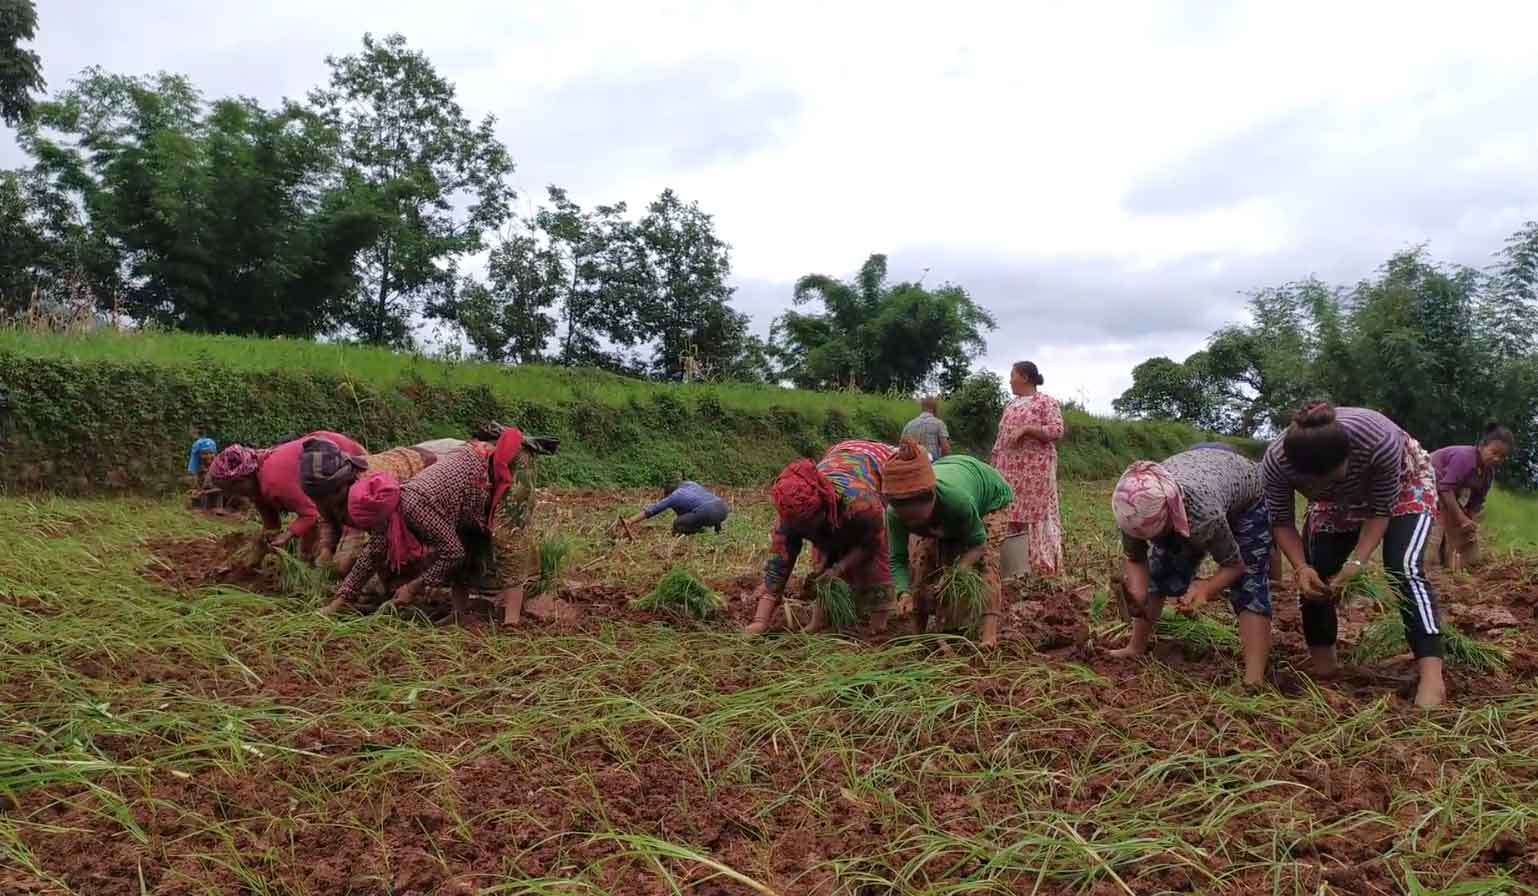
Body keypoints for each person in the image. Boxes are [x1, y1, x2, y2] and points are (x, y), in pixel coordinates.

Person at [1262, 401, 1445, 707]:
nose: (1323, 487)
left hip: (1403, 484)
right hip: (1336, 503)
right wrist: (1300, 566)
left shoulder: (1379, 441)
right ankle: (1324, 665)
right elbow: (1281, 520)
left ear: (1348, 457)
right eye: (1313, 485)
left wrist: (1357, 561)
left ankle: (1432, 675)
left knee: (1404, 567)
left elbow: (1380, 511)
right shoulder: (1275, 464)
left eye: (1332, 478)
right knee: (1317, 576)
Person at [1108, 446, 1274, 685]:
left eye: (1158, 533)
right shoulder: (1132, 507)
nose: (1152, 540)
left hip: (1246, 497)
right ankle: (1135, 647)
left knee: (1250, 583)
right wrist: (1137, 593)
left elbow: (1235, 565)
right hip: (1203, 478)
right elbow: (1136, 559)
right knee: (1160, 569)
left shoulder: (1203, 516)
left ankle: (1253, 679)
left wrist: (1205, 588)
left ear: (1171, 516)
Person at [745, 440, 898, 636]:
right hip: (838, 456)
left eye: (811, 522)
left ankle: (878, 626)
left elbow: (872, 544)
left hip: (879, 463)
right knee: (822, 564)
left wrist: (839, 567)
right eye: (802, 528)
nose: (807, 530)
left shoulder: (863, 505)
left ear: (824, 507)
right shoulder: (790, 517)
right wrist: (760, 622)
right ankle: (822, 619)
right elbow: (778, 567)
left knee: (873, 560)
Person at [883, 438, 1014, 647]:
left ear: (932, 496)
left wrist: (957, 571)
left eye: (918, 516)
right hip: (951, 487)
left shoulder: (957, 502)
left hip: (990, 497)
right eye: (908, 519)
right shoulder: (894, 514)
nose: (914, 522)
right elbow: (898, 558)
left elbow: (978, 544)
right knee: (922, 560)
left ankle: (989, 636)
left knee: (986, 561)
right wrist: (903, 592)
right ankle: (920, 633)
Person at [209, 430, 366, 561]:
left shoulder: (274, 483)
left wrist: (287, 535)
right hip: (322, 485)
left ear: (242, 479)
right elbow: (271, 525)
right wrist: (261, 546)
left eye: (231, 488)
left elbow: (310, 514)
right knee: (314, 547)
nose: (232, 494)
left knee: (339, 545)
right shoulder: (256, 486)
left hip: (340, 455)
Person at [298, 440, 439, 574]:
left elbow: (372, 541)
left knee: (408, 545)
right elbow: (326, 518)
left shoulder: (364, 493)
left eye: (322, 498)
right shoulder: (324, 493)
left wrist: (345, 576)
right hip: (400, 462)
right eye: (316, 498)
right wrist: (325, 548)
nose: (319, 502)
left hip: (424, 467)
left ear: (338, 488)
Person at [990, 361, 1065, 576]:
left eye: (1012, 375)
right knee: (1009, 511)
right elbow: (1001, 438)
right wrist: (994, 464)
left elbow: (1056, 430)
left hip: (1035, 472)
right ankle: (1013, 567)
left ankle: (1039, 565)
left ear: (1024, 377)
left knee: (1035, 514)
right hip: (1008, 470)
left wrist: (1027, 429)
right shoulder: (1011, 405)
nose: (1010, 379)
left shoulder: (1045, 402)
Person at [1429, 424, 1515, 570]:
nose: (1496, 459)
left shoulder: (1488, 474)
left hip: (1445, 489)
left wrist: (1470, 521)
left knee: (1463, 527)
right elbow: (1445, 489)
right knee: (1439, 521)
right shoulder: (1464, 458)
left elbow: (1476, 502)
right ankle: (1430, 565)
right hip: (1426, 482)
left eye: (1502, 457)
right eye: (1494, 452)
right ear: (1481, 446)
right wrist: (1462, 519)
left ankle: (1460, 565)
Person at [618, 476, 730, 536]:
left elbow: (651, 511)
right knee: (706, 506)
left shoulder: (674, 496)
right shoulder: (691, 484)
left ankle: (700, 532)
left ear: (669, 494)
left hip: (707, 513)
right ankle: (718, 531)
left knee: (678, 523)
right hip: (723, 508)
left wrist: (631, 520)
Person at [185, 437, 221, 510]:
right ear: (199, 455)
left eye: (211, 453)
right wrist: (195, 490)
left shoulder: (220, 468)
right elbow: (197, 485)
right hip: (205, 497)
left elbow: (222, 489)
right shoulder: (199, 469)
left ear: (215, 453)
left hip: (219, 497)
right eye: (205, 453)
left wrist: (204, 492)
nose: (208, 456)